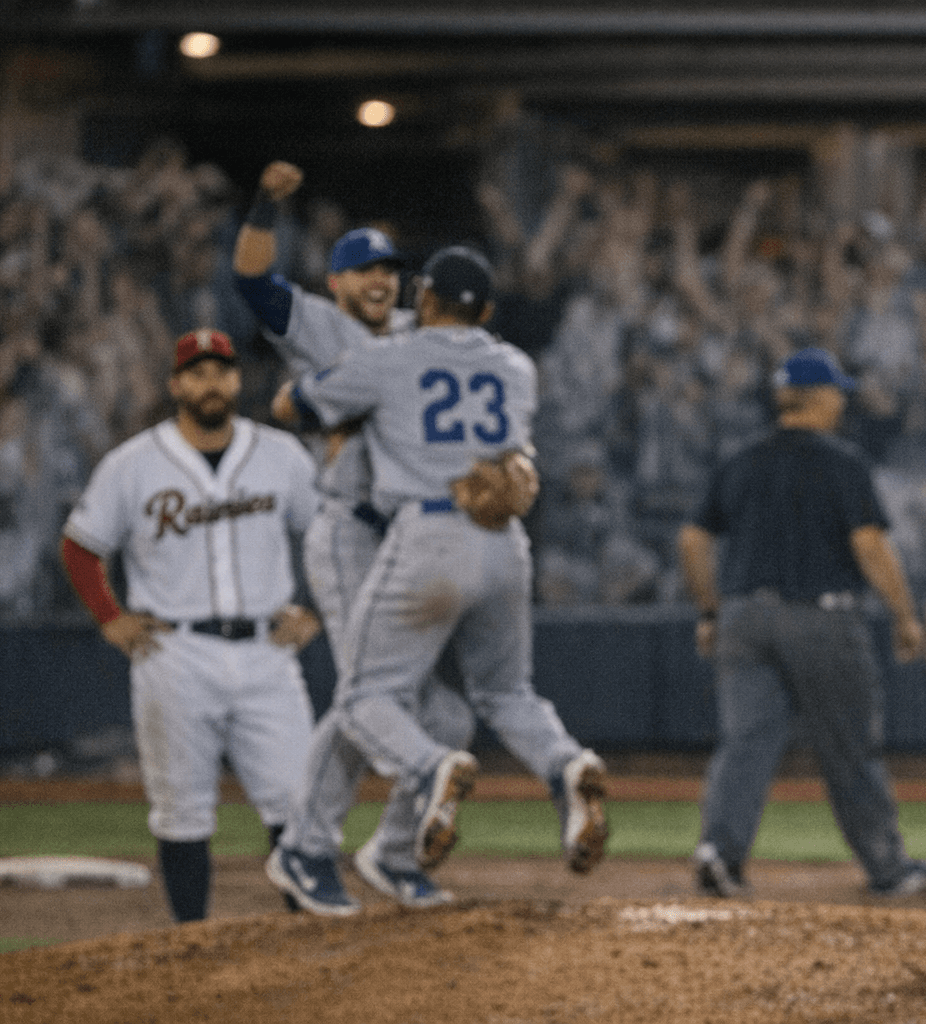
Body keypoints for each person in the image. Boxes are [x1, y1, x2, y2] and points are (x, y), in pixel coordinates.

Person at [266, 245, 609, 916]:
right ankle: (564, 764)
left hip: (425, 533)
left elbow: (291, 406)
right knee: (506, 693)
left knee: (366, 695)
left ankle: (425, 771)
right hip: (506, 545)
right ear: (485, 310)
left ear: (422, 300)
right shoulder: (517, 367)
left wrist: (351, 390)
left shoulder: (392, 356)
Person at [233, 160, 479, 910]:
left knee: (446, 713)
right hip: (347, 533)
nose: (380, 281)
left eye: (389, 271)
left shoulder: (420, 332)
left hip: (412, 537)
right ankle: (305, 849)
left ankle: (392, 854)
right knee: (372, 693)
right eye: (363, 270)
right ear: (337, 283)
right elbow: (250, 283)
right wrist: (265, 204)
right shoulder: (317, 322)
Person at [59, 328, 323, 923]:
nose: (211, 382)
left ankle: (309, 947)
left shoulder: (281, 455)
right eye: (197, 372)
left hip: (266, 650)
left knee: (298, 804)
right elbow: (81, 547)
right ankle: (189, 951)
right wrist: (110, 617)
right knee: (182, 811)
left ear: (236, 380)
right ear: (176, 384)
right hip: (174, 655)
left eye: (221, 371)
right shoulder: (133, 464)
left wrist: (320, 611)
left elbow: (330, 536)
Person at [676, 346, 926, 898]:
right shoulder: (841, 461)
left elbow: (692, 540)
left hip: (745, 619)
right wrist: (904, 615)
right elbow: (869, 546)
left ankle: (719, 853)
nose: (841, 404)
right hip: (822, 620)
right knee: (850, 748)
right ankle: (887, 869)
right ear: (819, 399)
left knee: (744, 745)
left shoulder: (741, 458)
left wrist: (711, 610)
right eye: (836, 394)